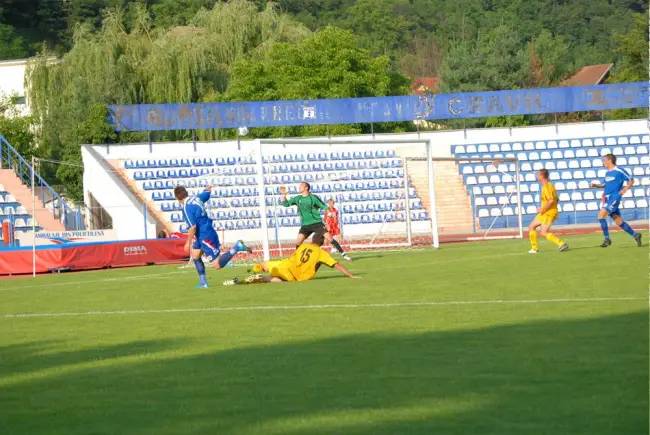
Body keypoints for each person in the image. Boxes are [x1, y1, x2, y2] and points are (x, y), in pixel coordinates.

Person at [175, 185, 251, 288]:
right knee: (195, 254)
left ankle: (236, 247)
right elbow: (206, 194)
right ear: (186, 193)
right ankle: (203, 282)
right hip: (202, 234)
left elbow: (192, 227)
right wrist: (207, 189)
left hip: (206, 236)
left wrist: (187, 242)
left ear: (177, 198)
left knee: (217, 265)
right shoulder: (196, 198)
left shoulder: (186, 208)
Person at [224, 234, 359, 285]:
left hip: (285, 264)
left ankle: (252, 272)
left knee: (264, 264)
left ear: (312, 240)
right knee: (279, 279)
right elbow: (336, 265)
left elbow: (293, 256)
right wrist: (351, 275)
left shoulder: (303, 246)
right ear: (322, 242)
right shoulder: (321, 253)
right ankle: (259, 278)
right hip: (296, 275)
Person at [280, 182, 352, 261]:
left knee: (330, 238)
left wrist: (329, 212)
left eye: (301, 186)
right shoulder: (298, 198)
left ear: (306, 188)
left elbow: (323, 206)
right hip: (305, 225)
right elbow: (286, 204)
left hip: (316, 223)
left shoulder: (313, 197)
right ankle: (296, 258)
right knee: (298, 241)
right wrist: (283, 196)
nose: (299, 187)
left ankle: (344, 254)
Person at [591, 154, 642, 248]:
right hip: (608, 198)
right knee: (618, 221)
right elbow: (604, 184)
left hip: (614, 198)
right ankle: (636, 235)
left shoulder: (619, 171)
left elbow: (631, 180)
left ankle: (607, 239)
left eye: (604, 160)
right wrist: (596, 185)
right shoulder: (607, 173)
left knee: (601, 216)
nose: (603, 162)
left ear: (610, 160)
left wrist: (625, 189)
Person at [528, 169, 569, 253]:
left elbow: (551, 200)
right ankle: (534, 248)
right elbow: (556, 199)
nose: (537, 176)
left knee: (543, 232)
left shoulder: (547, 186)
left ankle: (561, 244)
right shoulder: (547, 185)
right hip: (545, 212)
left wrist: (542, 209)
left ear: (542, 176)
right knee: (531, 227)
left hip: (548, 212)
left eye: (538, 174)